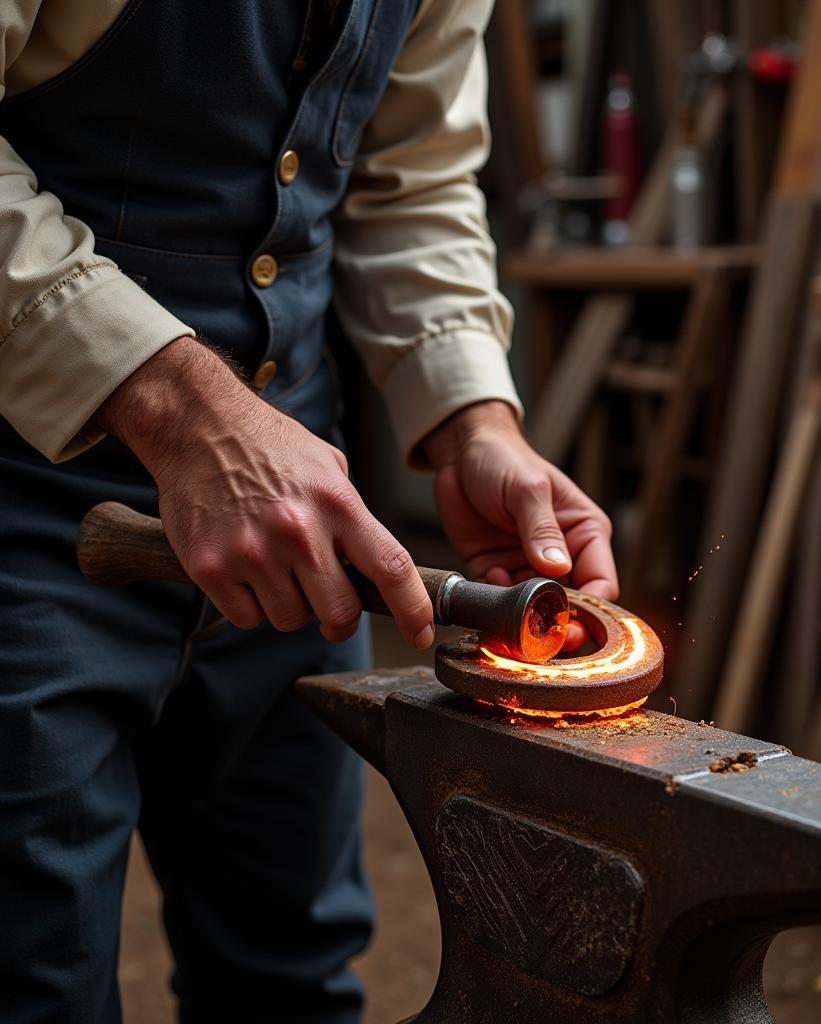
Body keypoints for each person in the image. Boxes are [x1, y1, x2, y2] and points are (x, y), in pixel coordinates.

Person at [0, 2, 616, 1021]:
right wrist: (183, 407)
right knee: (34, 979)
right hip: (25, 507)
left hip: (300, 535)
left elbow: (410, 173)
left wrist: (472, 419)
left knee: (289, 968)